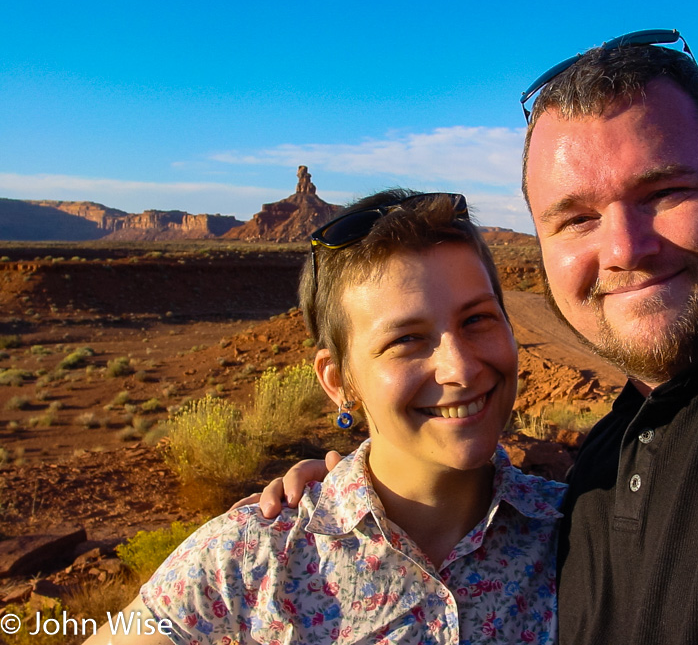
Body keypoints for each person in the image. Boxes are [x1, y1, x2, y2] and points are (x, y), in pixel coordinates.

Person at [257, 31, 698, 644]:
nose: (625, 248)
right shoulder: (589, 482)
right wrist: (359, 494)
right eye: (576, 218)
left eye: (664, 192)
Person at [85, 190, 563, 644]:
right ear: (338, 381)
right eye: (406, 340)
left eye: (477, 319)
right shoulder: (248, 560)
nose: (459, 368)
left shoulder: (585, 535)